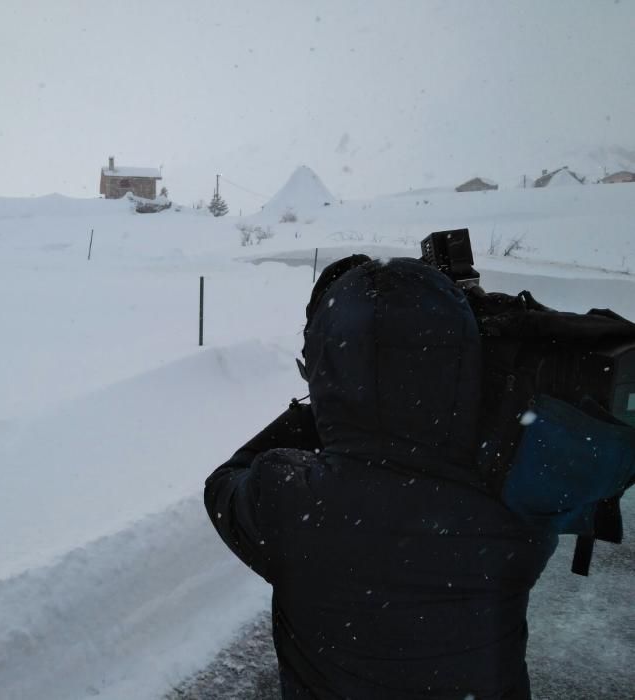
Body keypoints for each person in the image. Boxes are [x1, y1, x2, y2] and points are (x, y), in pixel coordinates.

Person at [204, 256, 560, 699]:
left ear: (324, 369)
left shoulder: (291, 501)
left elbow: (224, 482)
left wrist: (329, 406)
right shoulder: (516, 492)